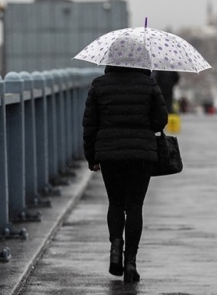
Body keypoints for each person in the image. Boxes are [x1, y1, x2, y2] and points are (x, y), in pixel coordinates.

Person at [82, 65, 168, 283]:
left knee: (116, 203)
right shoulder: (149, 84)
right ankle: (130, 263)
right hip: (141, 154)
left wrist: (91, 157)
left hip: (110, 154)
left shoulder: (99, 85)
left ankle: (115, 248)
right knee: (135, 206)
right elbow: (160, 121)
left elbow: (90, 124)